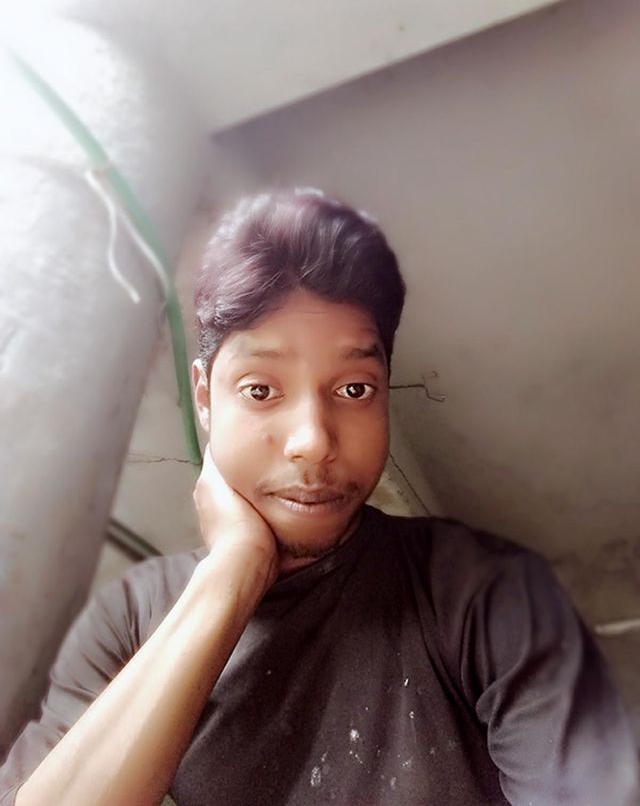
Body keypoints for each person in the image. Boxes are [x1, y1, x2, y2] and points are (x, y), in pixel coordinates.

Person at [1, 188, 638, 806]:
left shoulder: (488, 593)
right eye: (260, 390)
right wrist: (231, 577)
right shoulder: (130, 621)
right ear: (204, 398)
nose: (313, 441)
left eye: (355, 389)